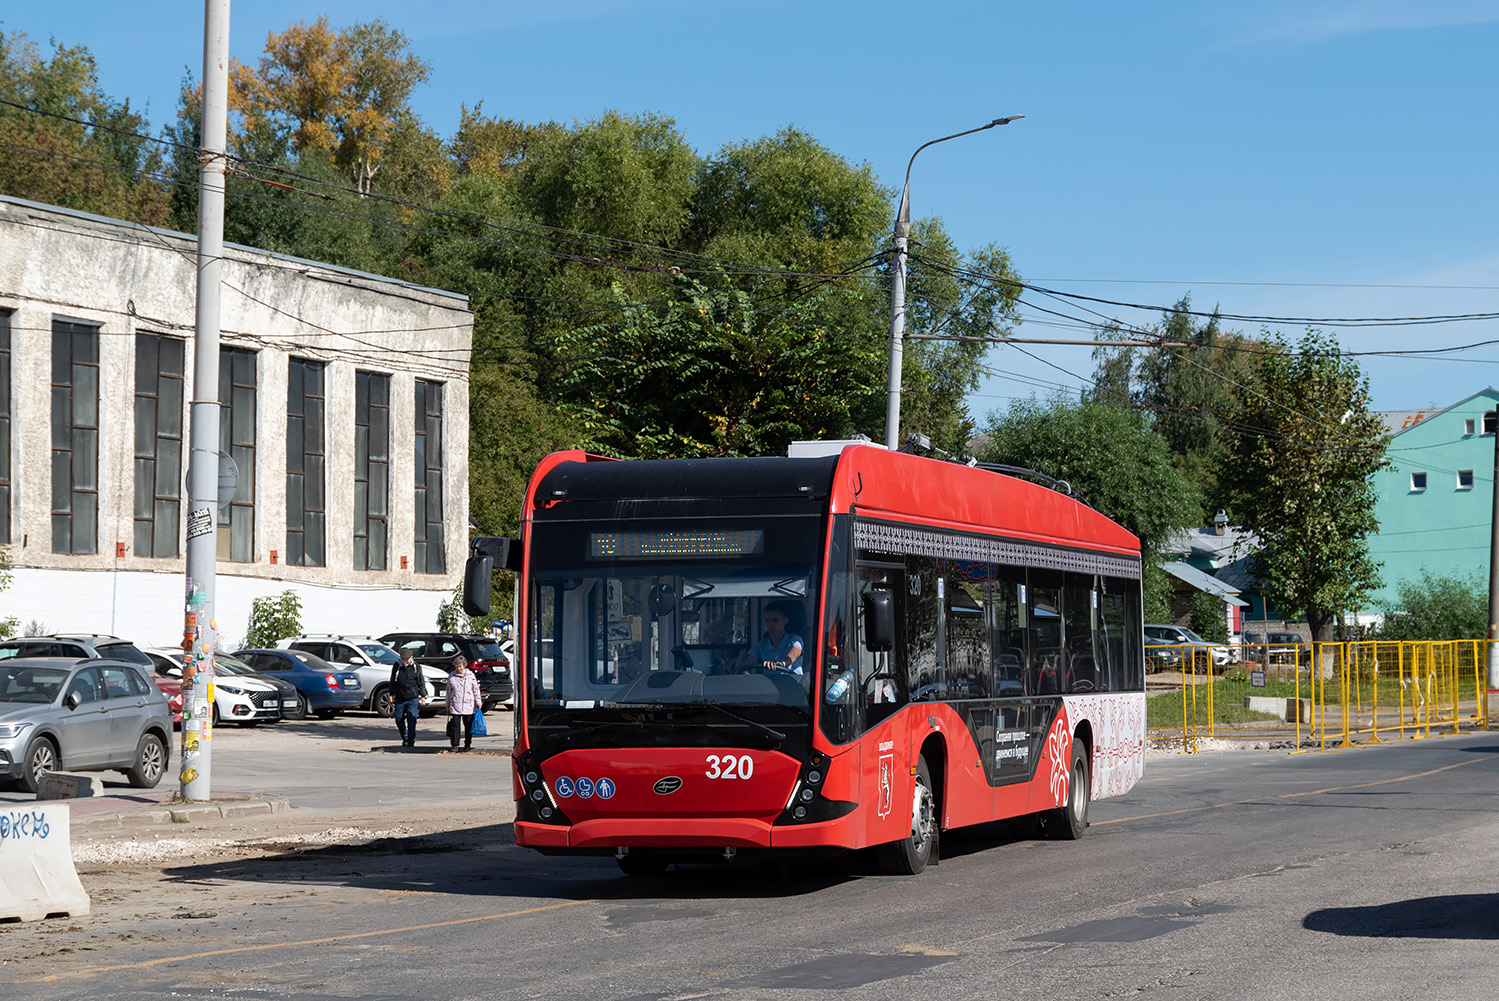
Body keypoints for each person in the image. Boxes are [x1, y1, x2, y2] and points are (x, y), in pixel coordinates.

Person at [739, 601, 805, 675]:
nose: (770, 625)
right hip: (768, 685)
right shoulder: (761, 645)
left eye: (774, 620)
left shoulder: (794, 639)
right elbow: (748, 662)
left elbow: (795, 652)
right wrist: (740, 669)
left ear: (785, 621)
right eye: (767, 621)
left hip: (793, 684)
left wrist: (782, 663)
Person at [389, 649, 426, 747]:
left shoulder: (416, 667)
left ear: (411, 658)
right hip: (400, 698)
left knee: (411, 719)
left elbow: (421, 682)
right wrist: (391, 693)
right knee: (398, 718)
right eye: (403, 659)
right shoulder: (397, 666)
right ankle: (405, 737)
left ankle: (410, 741)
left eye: (407, 660)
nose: (405, 662)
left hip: (412, 698)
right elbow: (393, 680)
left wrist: (423, 696)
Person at [445, 654, 482, 750]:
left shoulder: (470, 676)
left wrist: (478, 701)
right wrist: (447, 704)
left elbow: (475, 690)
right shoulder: (451, 676)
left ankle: (467, 744)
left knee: (468, 726)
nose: (458, 668)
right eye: (456, 666)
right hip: (455, 704)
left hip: (468, 705)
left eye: (460, 666)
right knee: (455, 726)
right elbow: (448, 691)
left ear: (464, 665)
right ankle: (455, 744)